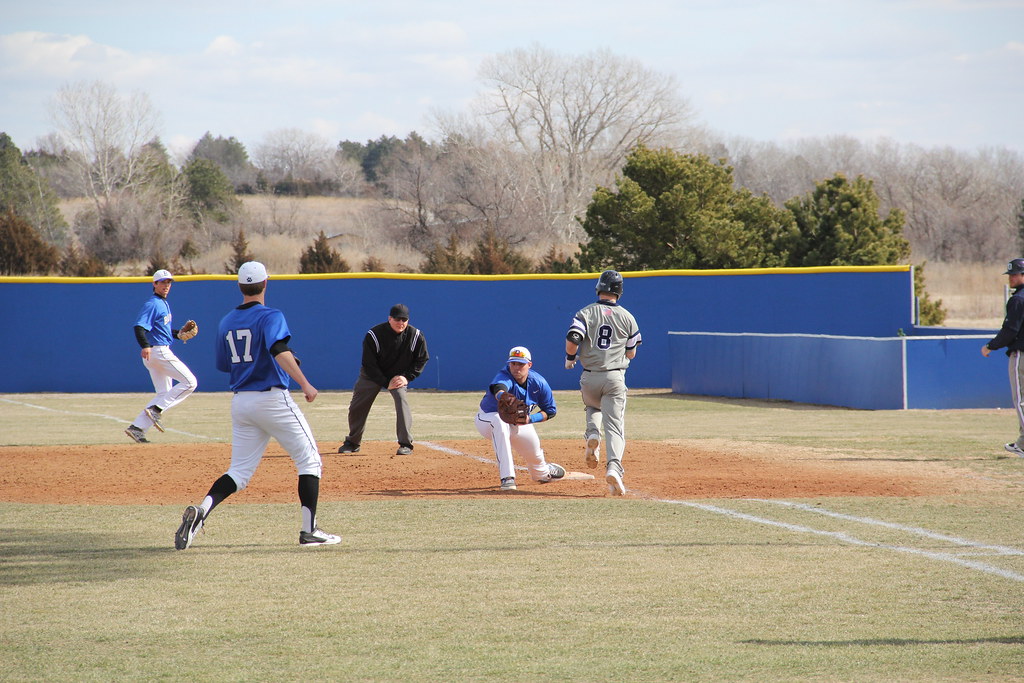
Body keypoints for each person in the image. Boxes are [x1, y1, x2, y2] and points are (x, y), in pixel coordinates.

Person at [174, 261, 340, 550]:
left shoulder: (226, 321)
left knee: (238, 472)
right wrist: (305, 383)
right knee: (310, 461)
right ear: (266, 283)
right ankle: (309, 531)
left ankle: (201, 512)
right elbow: (278, 349)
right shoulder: (271, 315)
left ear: (240, 287)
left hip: (241, 402)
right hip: (271, 398)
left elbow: (225, 364)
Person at [564, 269, 642, 496]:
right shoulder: (627, 317)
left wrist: (570, 358)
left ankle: (592, 434)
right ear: (619, 291)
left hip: (590, 375)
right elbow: (631, 353)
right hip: (615, 376)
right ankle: (614, 467)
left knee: (592, 406)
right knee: (615, 427)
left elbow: (572, 339)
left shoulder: (585, 313)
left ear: (599, 288)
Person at [338, 303, 429, 456]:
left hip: (398, 376)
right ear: (389, 319)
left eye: (404, 320)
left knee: (401, 402)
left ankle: (405, 444)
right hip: (372, 374)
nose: (401, 323)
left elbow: (422, 359)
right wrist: (386, 382)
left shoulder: (415, 335)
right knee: (357, 407)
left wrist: (406, 377)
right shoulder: (374, 334)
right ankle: (353, 442)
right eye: (397, 319)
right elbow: (368, 363)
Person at [475, 346, 566, 491]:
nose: (516, 367)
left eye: (521, 364)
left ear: (529, 365)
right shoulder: (504, 375)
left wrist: (530, 419)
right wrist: (503, 396)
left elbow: (550, 411)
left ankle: (544, 472)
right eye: (513, 363)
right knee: (499, 422)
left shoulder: (539, 383)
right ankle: (507, 478)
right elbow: (499, 388)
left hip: (519, 423)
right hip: (487, 419)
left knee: (536, 459)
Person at [125, 269, 198, 443]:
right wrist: (145, 345)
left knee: (163, 393)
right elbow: (139, 327)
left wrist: (178, 334)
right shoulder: (153, 304)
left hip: (157, 352)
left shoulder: (162, 303)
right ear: (154, 284)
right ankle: (156, 410)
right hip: (158, 352)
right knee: (190, 382)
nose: (166, 285)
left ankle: (137, 428)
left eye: (169, 282)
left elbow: (161, 331)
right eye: (163, 282)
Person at [982, 258, 1024, 458]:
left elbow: (1010, 330)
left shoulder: (1017, 299)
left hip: (1021, 355)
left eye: (1015, 274)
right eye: (1010, 275)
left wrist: (990, 346)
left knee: (1021, 400)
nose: (1011, 278)